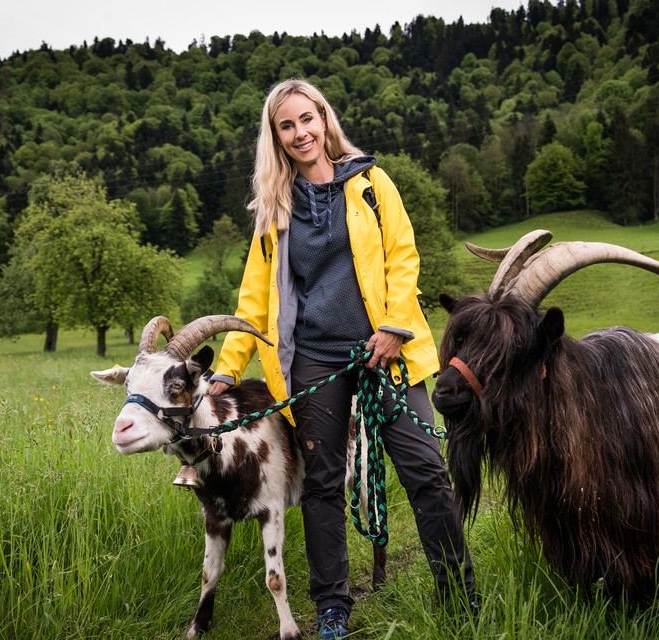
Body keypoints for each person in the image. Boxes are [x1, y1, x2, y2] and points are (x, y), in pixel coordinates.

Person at [207, 79, 476, 639]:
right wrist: (229, 368)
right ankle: (332, 608)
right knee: (323, 484)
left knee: (427, 472)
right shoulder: (274, 211)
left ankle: (459, 596)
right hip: (315, 359)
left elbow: (403, 257)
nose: (300, 132)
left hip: (387, 350)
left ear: (324, 118)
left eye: (307, 118)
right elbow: (254, 299)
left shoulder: (372, 183)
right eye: (287, 125)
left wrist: (394, 328)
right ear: (276, 137)